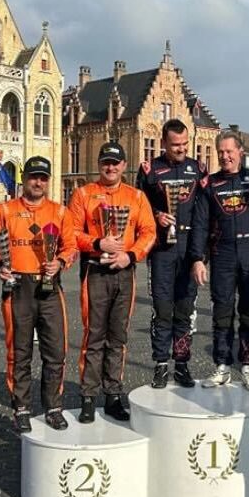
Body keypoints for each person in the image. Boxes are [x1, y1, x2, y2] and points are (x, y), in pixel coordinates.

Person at [0, 156, 77, 433]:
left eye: (43, 178)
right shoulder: (5, 210)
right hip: (17, 287)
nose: (38, 182)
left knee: (55, 351)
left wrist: (60, 262)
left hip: (49, 287)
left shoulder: (60, 212)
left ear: (48, 181)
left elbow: (71, 247)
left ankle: (53, 407)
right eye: (33, 177)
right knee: (19, 352)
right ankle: (20, 408)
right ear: (24, 179)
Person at [189, 130, 249, 392]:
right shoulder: (209, 184)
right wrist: (198, 259)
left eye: (229, 151)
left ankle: (248, 366)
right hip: (222, 254)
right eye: (220, 152)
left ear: (240, 152)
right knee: (222, 311)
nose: (225, 156)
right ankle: (222, 365)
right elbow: (200, 224)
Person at [69, 142, 156, 423]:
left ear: (123, 165)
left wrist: (130, 256)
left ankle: (113, 396)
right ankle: (88, 396)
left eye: (115, 163)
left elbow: (149, 232)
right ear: (99, 164)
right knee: (94, 336)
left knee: (118, 337)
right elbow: (71, 233)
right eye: (106, 162)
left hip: (124, 271)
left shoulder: (136, 196)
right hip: (95, 270)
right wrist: (97, 243)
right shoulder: (83, 194)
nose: (110, 167)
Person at [136, 119, 207, 389]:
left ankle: (182, 364)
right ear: (163, 143)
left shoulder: (198, 169)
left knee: (185, 310)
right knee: (163, 309)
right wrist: (156, 215)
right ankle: (160, 364)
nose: (181, 149)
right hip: (162, 249)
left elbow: (204, 214)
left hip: (189, 247)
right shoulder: (150, 169)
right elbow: (138, 208)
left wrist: (200, 256)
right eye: (175, 144)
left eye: (185, 144)